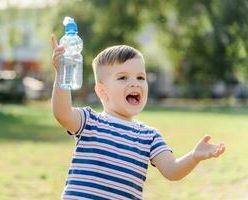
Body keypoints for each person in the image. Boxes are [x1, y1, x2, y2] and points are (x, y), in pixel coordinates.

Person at [50, 34, 225, 200]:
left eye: (141, 77)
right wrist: (61, 74)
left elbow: (172, 170)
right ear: (102, 91)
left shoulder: (149, 136)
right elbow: (62, 114)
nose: (134, 83)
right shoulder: (90, 121)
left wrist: (194, 156)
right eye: (123, 77)